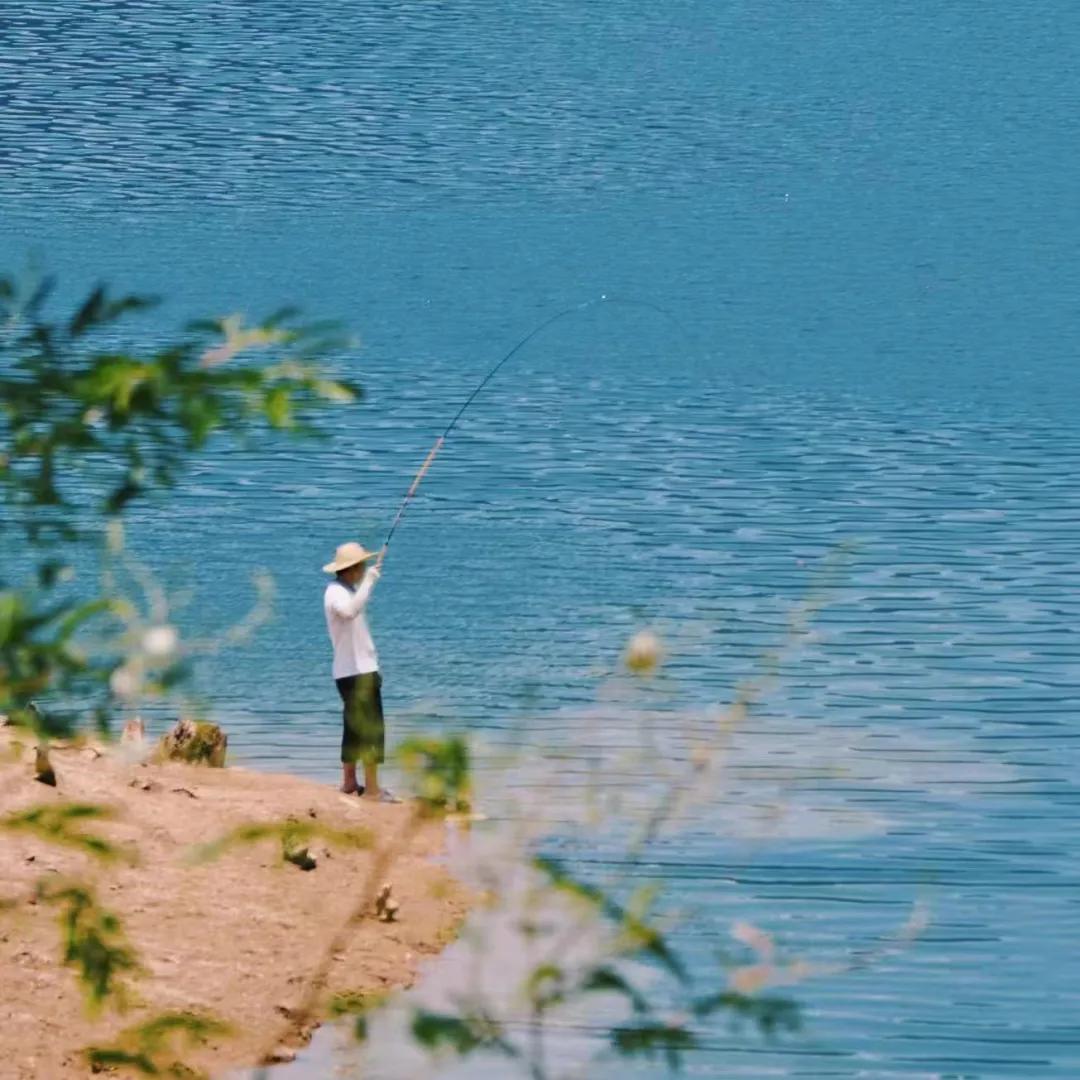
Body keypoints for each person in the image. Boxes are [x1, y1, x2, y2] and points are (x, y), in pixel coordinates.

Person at [322, 541, 395, 801]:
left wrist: (366, 583)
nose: (365, 569)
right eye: (362, 566)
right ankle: (372, 790)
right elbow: (351, 611)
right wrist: (371, 581)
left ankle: (350, 783)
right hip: (356, 673)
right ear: (352, 569)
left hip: (354, 671)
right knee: (370, 729)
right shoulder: (336, 593)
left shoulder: (344, 590)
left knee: (353, 728)